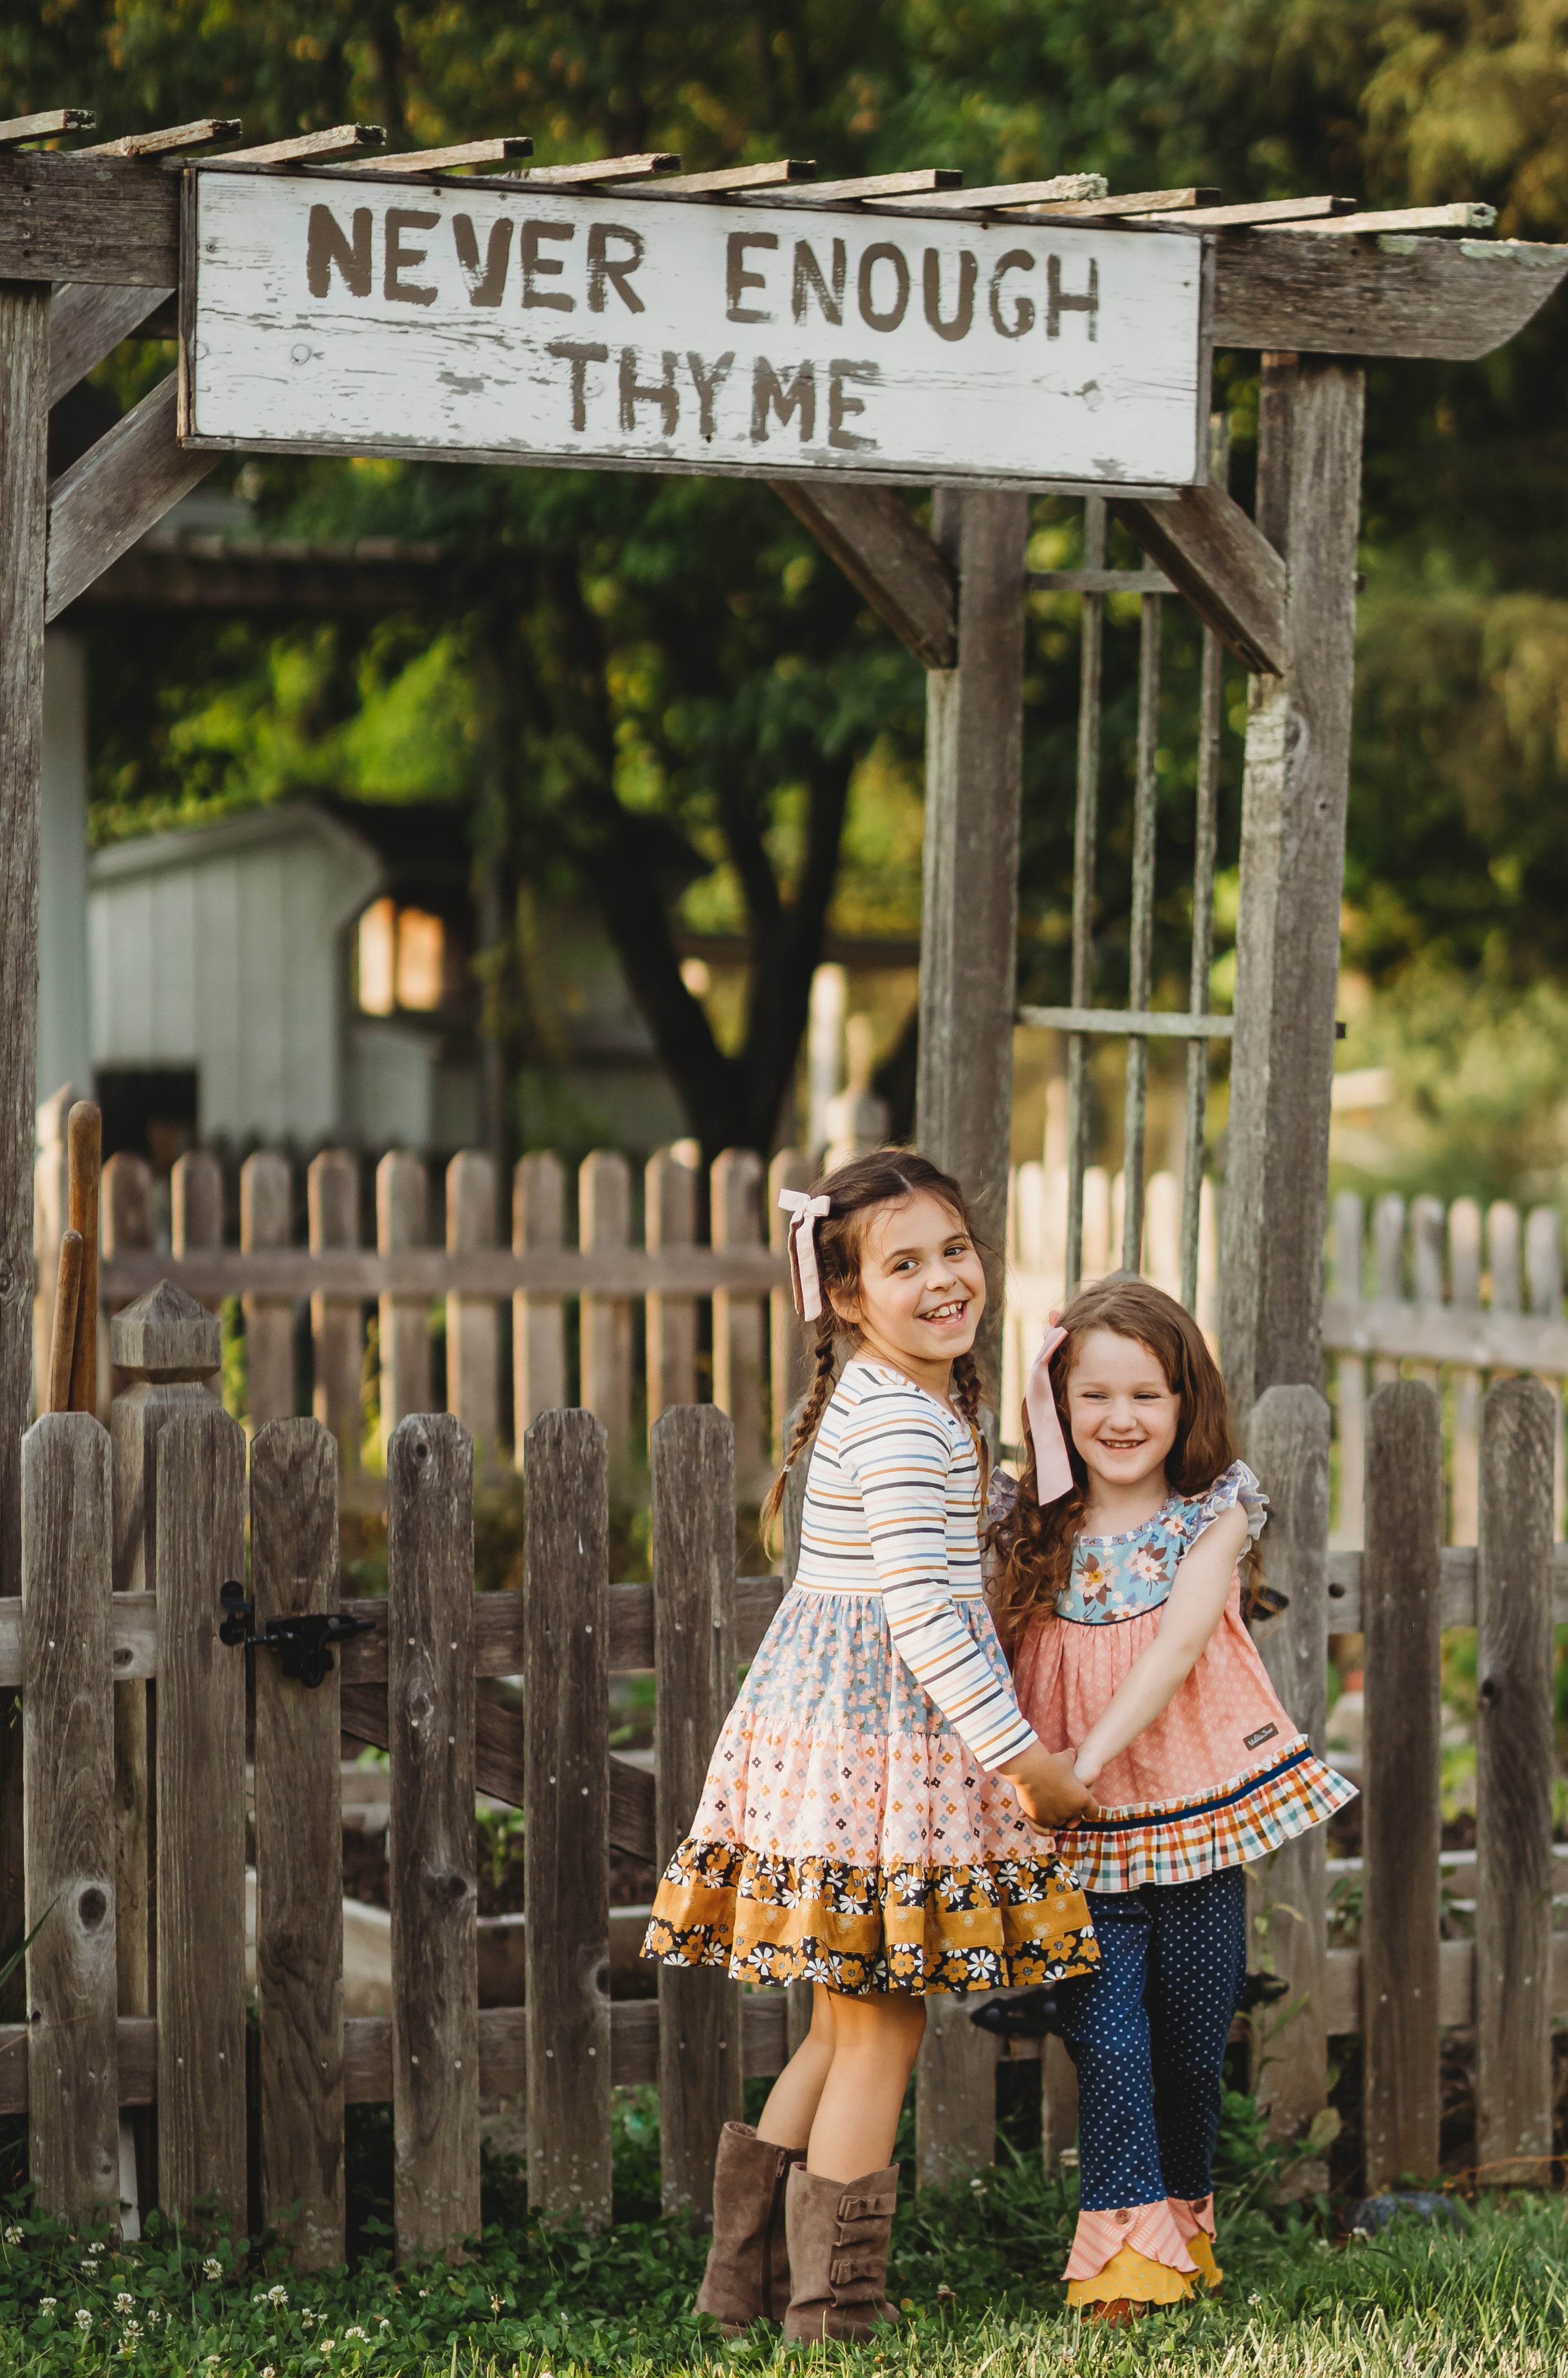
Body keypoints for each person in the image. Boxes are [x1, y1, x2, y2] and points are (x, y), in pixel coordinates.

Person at [642, 1150, 1100, 2343]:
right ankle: (833, 2310)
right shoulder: (902, 1419)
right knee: (881, 2022)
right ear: (846, 1296)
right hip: (876, 1759)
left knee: (843, 2020)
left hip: (834, 1748)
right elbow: (922, 1615)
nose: (944, 1278)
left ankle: (737, 2283)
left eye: (955, 1249)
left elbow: (944, 1540)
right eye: (904, 1263)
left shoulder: (895, 1398)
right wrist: (1022, 1758)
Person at [989, 1275, 1356, 2320]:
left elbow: (1181, 1643)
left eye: (1146, 1395)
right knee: (1106, 2033)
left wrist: (1082, 1765)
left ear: (1187, 1403)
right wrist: (1035, 1783)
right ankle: (1118, 2265)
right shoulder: (1027, 1522)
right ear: (1058, 1407)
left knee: (1193, 2039)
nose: (1119, 1419)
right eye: (1093, 1396)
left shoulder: (1217, 1514)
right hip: (1073, 1839)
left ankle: (1182, 2234)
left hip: (1191, 1820)